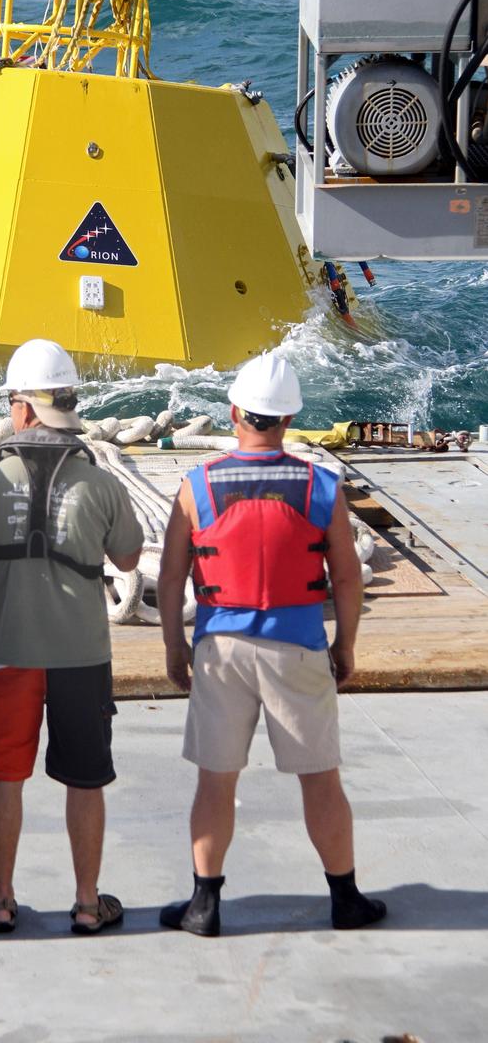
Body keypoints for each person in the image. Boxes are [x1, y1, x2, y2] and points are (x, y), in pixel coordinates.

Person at [157, 352, 387, 937]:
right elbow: (347, 576)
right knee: (321, 778)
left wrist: (174, 648)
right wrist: (346, 646)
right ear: (288, 420)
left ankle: (204, 905)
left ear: (234, 412)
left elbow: (170, 574)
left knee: (216, 781)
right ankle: (346, 899)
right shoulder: (321, 485)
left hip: (220, 649)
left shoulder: (197, 485)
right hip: (299, 646)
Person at [0, 339, 144, 935]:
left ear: (27, 409)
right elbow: (130, 558)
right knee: (85, 778)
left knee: (7, 775)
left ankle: (2, 899)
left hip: (7, 648)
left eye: (12, 401)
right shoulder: (101, 483)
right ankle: (86, 903)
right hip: (82, 652)